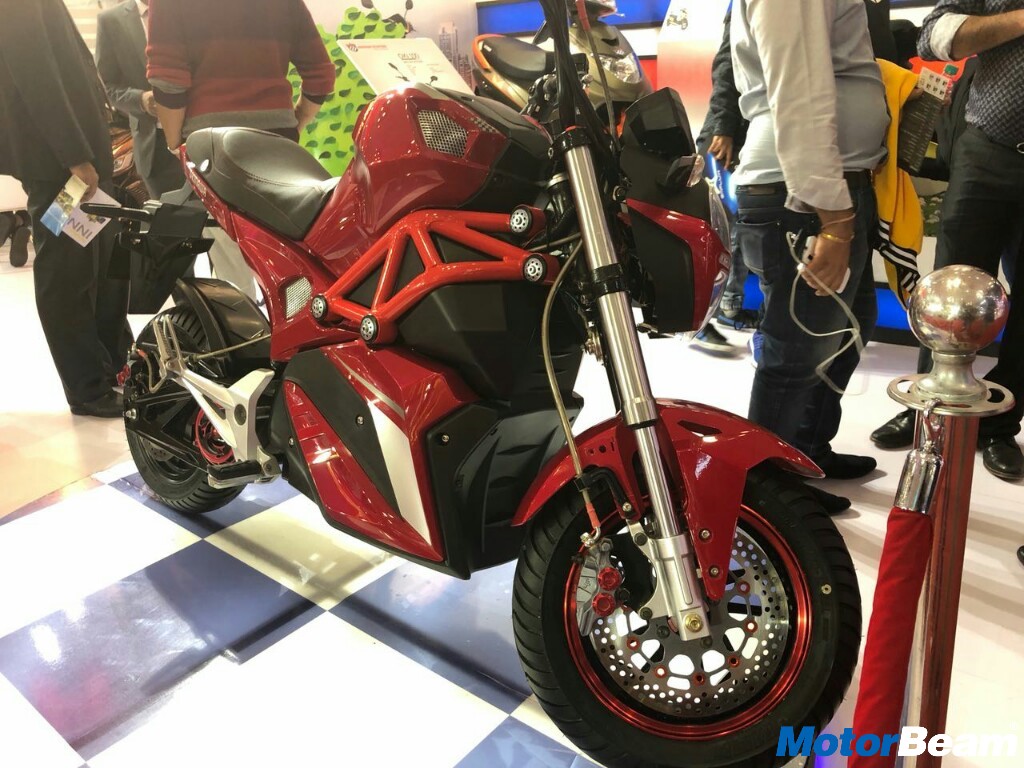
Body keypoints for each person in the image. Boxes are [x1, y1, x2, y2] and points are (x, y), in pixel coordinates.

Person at [730, 0, 889, 513]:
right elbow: (797, 94)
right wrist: (835, 222)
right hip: (805, 194)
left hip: (823, 188)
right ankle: (767, 496)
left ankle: (804, 452)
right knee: (795, 352)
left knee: (846, 327)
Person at [870, 0, 1024, 481]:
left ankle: (999, 425)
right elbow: (934, 35)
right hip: (988, 147)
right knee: (950, 286)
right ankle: (928, 410)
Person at [146, 0, 335, 299]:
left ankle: (246, 325)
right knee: (288, 258)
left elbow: (168, 82)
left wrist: (174, 142)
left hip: (211, 144)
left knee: (232, 268)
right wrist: (295, 123)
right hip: (278, 141)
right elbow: (321, 76)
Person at [0, 0, 131, 418]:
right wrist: (74, 154)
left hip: (78, 163)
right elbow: (35, 74)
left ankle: (114, 365)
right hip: (61, 166)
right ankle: (87, 385)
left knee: (98, 266)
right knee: (68, 274)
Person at [692, 5, 756, 356]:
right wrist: (723, 127)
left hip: (751, 135)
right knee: (717, 230)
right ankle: (699, 320)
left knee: (741, 228)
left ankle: (728, 307)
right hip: (728, 137)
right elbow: (726, 64)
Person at [96, 0, 185, 199]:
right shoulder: (110, 20)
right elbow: (107, 87)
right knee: (168, 215)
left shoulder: (189, 8)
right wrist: (141, 100)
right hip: (153, 144)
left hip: (197, 134)